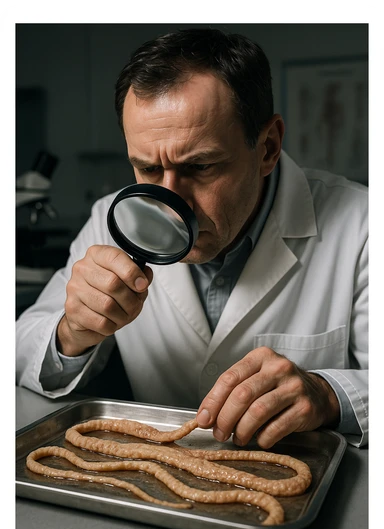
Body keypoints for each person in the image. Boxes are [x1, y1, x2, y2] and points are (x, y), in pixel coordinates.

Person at [16, 27, 368, 449]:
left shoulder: (364, 225)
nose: (169, 205)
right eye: (147, 169)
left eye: (200, 167)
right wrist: (71, 332)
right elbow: (19, 349)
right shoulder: (110, 220)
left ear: (269, 147)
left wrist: (326, 395)